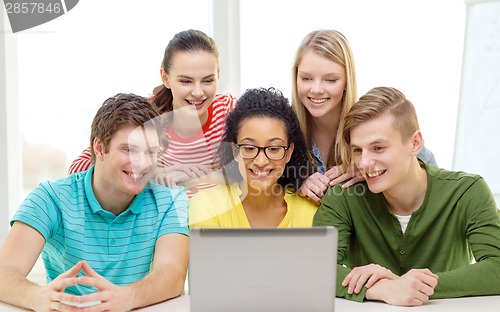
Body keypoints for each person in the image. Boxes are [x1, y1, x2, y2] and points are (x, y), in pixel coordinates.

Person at [0, 93, 189, 312]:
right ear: (99, 148)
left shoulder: (170, 200)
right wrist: (37, 297)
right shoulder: (49, 198)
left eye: (150, 152)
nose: (142, 163)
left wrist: (126, 298)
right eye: (129, 150)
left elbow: (173, 274)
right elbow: (5, 273)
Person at [313, 87, 500, 306]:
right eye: (357, 150)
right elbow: (315, 270)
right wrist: (382, 289)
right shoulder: (343, 195)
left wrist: (411, 287)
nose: (363, 163)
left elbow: (496, 266)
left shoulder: (467, 191)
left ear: (415, 143)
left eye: (378, 147)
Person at [68, 29, 236, 197]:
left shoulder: (228, 109)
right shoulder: (144, 116)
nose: (198, 92)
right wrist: (152, 171)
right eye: (185, 81)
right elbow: (78, 169)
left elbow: (254, 169)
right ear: (165, 78)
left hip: (215, 219)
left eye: (208, 80)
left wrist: (195, 178)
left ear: (218, 75)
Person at [292, 30, 437, 203]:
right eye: (306, 78)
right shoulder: (282, 128)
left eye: (330, 80)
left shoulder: (369, 122)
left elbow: (427, 168)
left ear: (347, 80)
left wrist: (371, 167)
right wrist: (294, 182)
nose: (316, 89)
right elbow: (257, 176)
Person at [189, 88, 317, 228]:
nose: (261, 161)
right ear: (234, 150)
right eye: (249, 148)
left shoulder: (311, 211)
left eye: (273, 149)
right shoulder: (207, 206)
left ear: (288, 152)